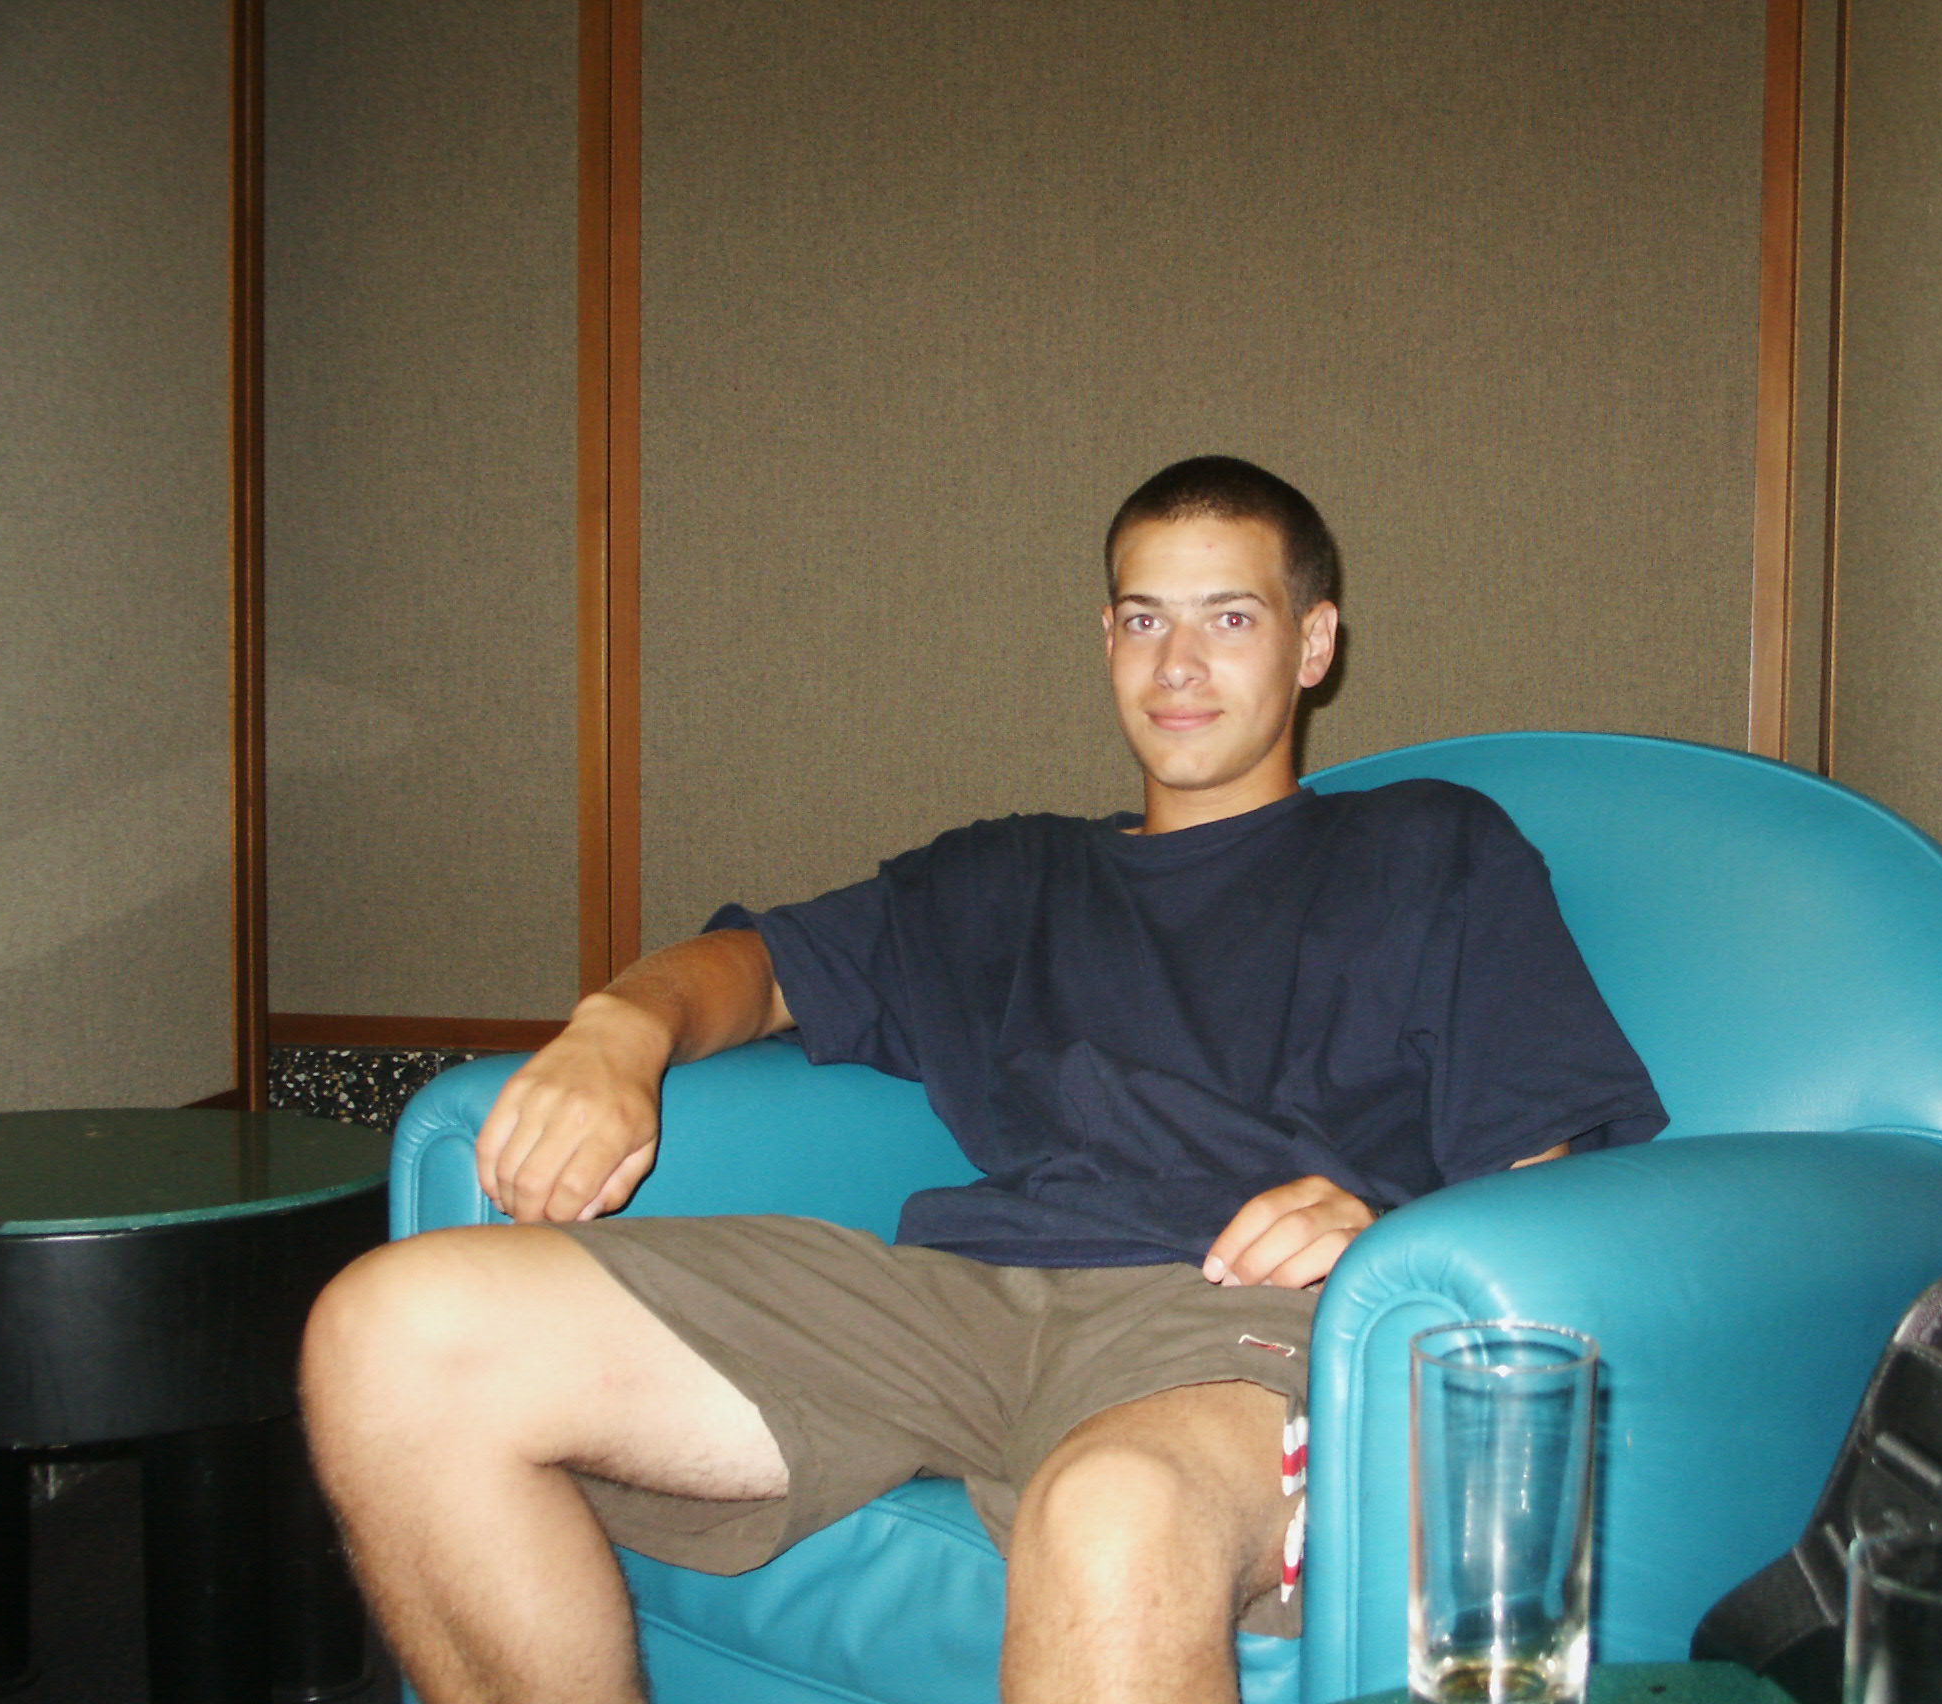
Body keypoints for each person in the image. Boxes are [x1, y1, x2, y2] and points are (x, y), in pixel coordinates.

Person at [300, 455, 1666, 1704]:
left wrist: (1392, 1232)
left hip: (1238, 1316)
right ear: (1106, 638)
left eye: (1230, 618)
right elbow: (756, 970)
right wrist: (619, 1030)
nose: (1179, 664)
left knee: (1115, 1513)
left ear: (1314, 645)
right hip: (962, 1301)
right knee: (394, 1333)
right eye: (1145, 618)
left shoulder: (1430, 850)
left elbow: (1550, 1177)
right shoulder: (1012, 875)